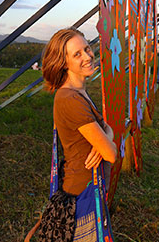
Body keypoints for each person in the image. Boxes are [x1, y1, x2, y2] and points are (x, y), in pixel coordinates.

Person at [41, 27, 117, 236]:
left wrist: (105, 139)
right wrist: (107, 145)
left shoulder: (79, 92)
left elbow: (107, 129)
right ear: (64, 63)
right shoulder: (70, 99)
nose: (87, 56)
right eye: (77, 54)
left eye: (87, 48)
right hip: (82, 193)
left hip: (92, 186)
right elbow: (111, 154)